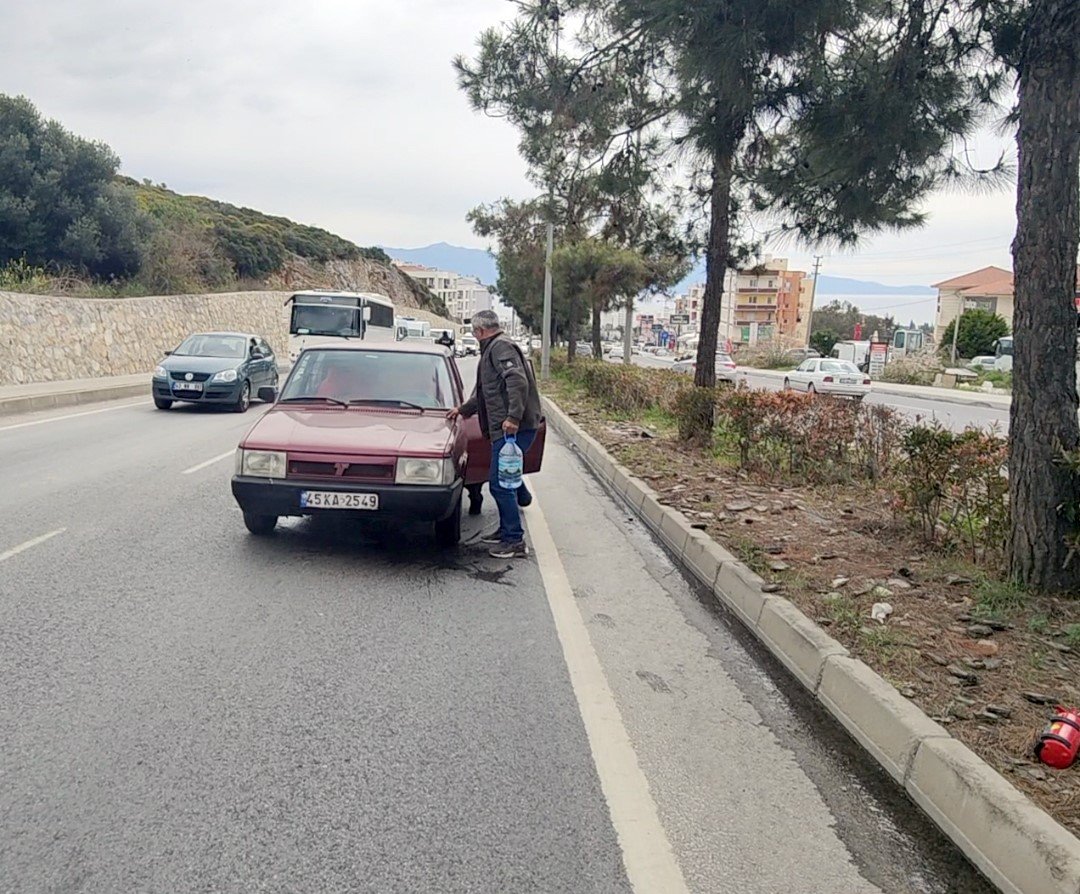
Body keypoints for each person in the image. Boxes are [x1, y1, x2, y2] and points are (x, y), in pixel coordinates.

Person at [447, 309, 541, 559]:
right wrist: (463, 409)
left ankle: (514, 541)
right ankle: (507, 527)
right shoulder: (492, 349)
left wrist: (512, 417)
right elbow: (485, 392)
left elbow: (517, 381)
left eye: (474, 332)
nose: (474, 336)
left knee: (500, 484)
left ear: (480, 331)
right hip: (507, 426)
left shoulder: (500, 348)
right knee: (504, 479)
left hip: (513, 428)